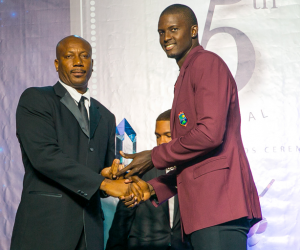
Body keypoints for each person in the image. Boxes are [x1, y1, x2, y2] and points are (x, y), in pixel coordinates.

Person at [117, 4, 262, 250]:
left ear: (193, 30)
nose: (166, 38)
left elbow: (209, 135)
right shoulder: (186, 75)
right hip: (203, 214)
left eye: (173, 29)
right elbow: (195, 162)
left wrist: (153, 157)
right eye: (161, 32)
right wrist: (153, 188)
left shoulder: (206, 64)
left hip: (219, 210)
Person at [10, 35, 134, 250]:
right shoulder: (36, 99)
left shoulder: (106, 116)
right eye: (69, 56)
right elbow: (45, 157)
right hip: (45, 229)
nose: (78, 61)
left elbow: (103, 170)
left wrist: (113, 178)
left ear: (92, 65)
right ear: (57, 64)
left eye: (84, 56)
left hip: (90, 231)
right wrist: (102, 183)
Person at [106, 110, 192, 250]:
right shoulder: (140, 171)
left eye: (168, 135)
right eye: (158, 136)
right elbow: (122, 220)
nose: (162, 141)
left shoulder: (192, 172)